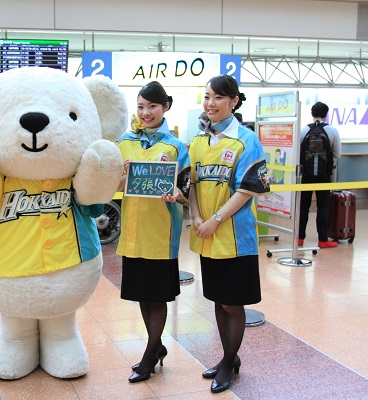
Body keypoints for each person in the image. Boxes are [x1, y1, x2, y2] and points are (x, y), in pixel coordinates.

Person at [189, 74, 270, 394]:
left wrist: (215, 220)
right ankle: (228, 357)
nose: (211, 104)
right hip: (207, 235)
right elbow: (192, 184)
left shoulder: (246, 140)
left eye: (218, 98)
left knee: (233, 304)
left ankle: (229, 362)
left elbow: (248, 189)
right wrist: (195, 216)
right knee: (219, 301)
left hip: (235, 238)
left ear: (234, 101)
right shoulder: (198, 139)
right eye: (207, 97)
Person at [115, 81, 191, 383]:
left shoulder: (175, 147)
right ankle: (156, 346)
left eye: (153, 107)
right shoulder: (124, 142)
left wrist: (175, 192)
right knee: (142, 296)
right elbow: (113, 184)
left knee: (157, 297)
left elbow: (186, 192)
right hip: (133, 233)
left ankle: (149, 354)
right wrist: (124, 173)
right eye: (141, 106)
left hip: (162, 234)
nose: (146, 113)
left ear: (166, 107)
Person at [298, 101, 341, 249]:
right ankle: (323, 240)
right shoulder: (332, 131)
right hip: (324, 175)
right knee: (323, 206)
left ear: (312, 114)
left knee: (303, 206)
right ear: (326, 114)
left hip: (306, 175)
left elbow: (298, 152)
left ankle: (299, 238)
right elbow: (337, 154)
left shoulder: (303, 130)